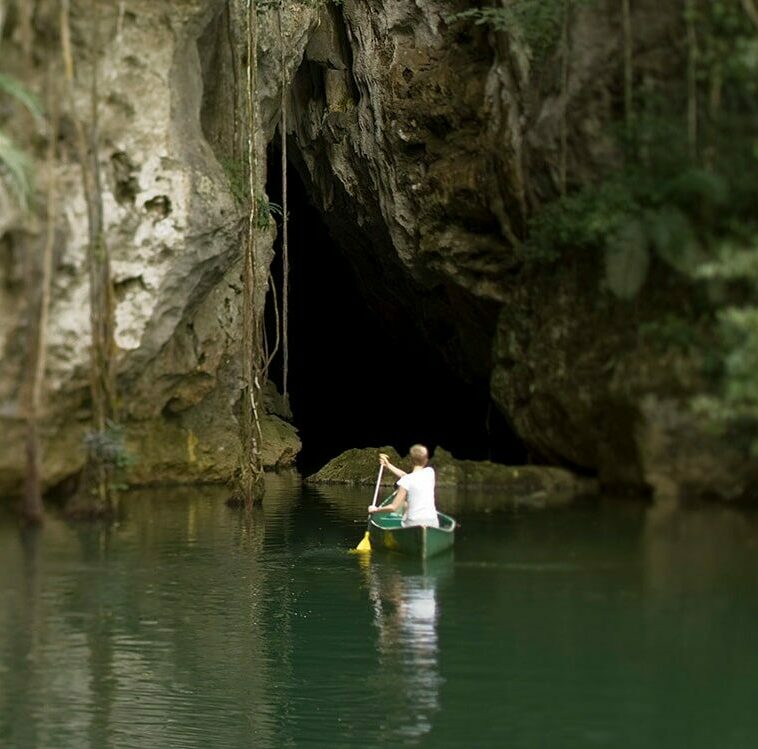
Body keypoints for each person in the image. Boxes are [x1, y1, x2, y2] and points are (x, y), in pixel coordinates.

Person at [368, 445, 439, 528]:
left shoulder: (406, 480)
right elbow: (406, 476)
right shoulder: (430, 472)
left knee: (405, 506)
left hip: (413, 523)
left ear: (411, 460)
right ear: (426, 460)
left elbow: (393, 507)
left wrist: (375, 509)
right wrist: (388, 465)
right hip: (432, 522)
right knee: (406, 505)